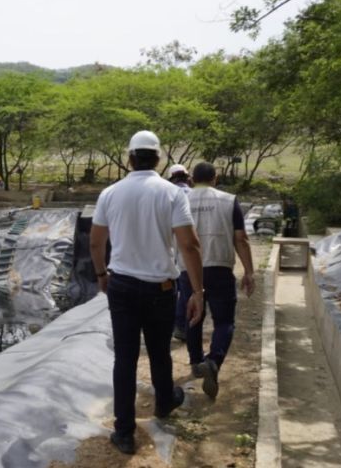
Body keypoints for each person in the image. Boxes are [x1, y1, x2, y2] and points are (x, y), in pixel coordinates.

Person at [90, 130, 205, 455]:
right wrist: (198, 291)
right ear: (158, 159)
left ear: (129, 158)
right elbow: (189, 244)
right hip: (161, 289)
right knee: (159, 352)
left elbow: (96, 242)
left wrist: (101, 273)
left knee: (125, 358)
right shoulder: (172, 194)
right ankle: (164, 402)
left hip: (121, 286)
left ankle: (124, 432)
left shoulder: (110, 194)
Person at [181, 162, 255, 400]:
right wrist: (249, 271)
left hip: (188, 270)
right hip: (220, 268)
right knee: (224, 321)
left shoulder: (181, 200)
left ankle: (195, 362)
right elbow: (241, 239)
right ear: (215, 178)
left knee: (193, 317)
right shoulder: (228, 200)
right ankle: (213, 360)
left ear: (192, 179)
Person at [168, 163, 192, 342]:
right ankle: (182, 326)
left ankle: (171, 324)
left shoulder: (165, 194)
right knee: (186, 290)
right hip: (187, 247)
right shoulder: (193, 195)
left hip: (168, 247)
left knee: (171, 289)